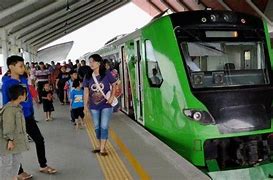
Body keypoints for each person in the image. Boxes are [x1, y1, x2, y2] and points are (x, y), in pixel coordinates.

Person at [2, 55, 57, 179]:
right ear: (11, 67)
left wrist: (32, 107)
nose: (23, 68)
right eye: (20, 66)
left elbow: (28, 94)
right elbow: (7, 103)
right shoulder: (7, 84)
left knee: (39, 139)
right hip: (17, 118)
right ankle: (19, 171)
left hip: (28, 116)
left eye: (23, 66)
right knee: (15, 146)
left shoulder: (22, 79)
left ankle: (43, 165)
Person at [83, 54, 118, 156]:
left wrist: (112, 97)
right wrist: (85, 106)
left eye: (93, 61)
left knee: (104, 126)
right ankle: (99, 145)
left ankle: (102, 148)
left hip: (106, 104)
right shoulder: (88, 76)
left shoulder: (106, 74)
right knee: (97, 127)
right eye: (90, 62)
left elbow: (114, 84)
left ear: (98, 62)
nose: (91, 64)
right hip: (94, 106)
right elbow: (86, 92)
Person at [0, 84, 30, 180]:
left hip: (16, 141)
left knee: (16, 161)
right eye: (25, 94)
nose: (26, 95)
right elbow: (8, 126)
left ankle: (13, 178)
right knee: (7, 164)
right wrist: (9, 139)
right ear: (20, 97)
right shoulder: (9, 109)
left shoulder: (17, 108)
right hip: (8, 143)